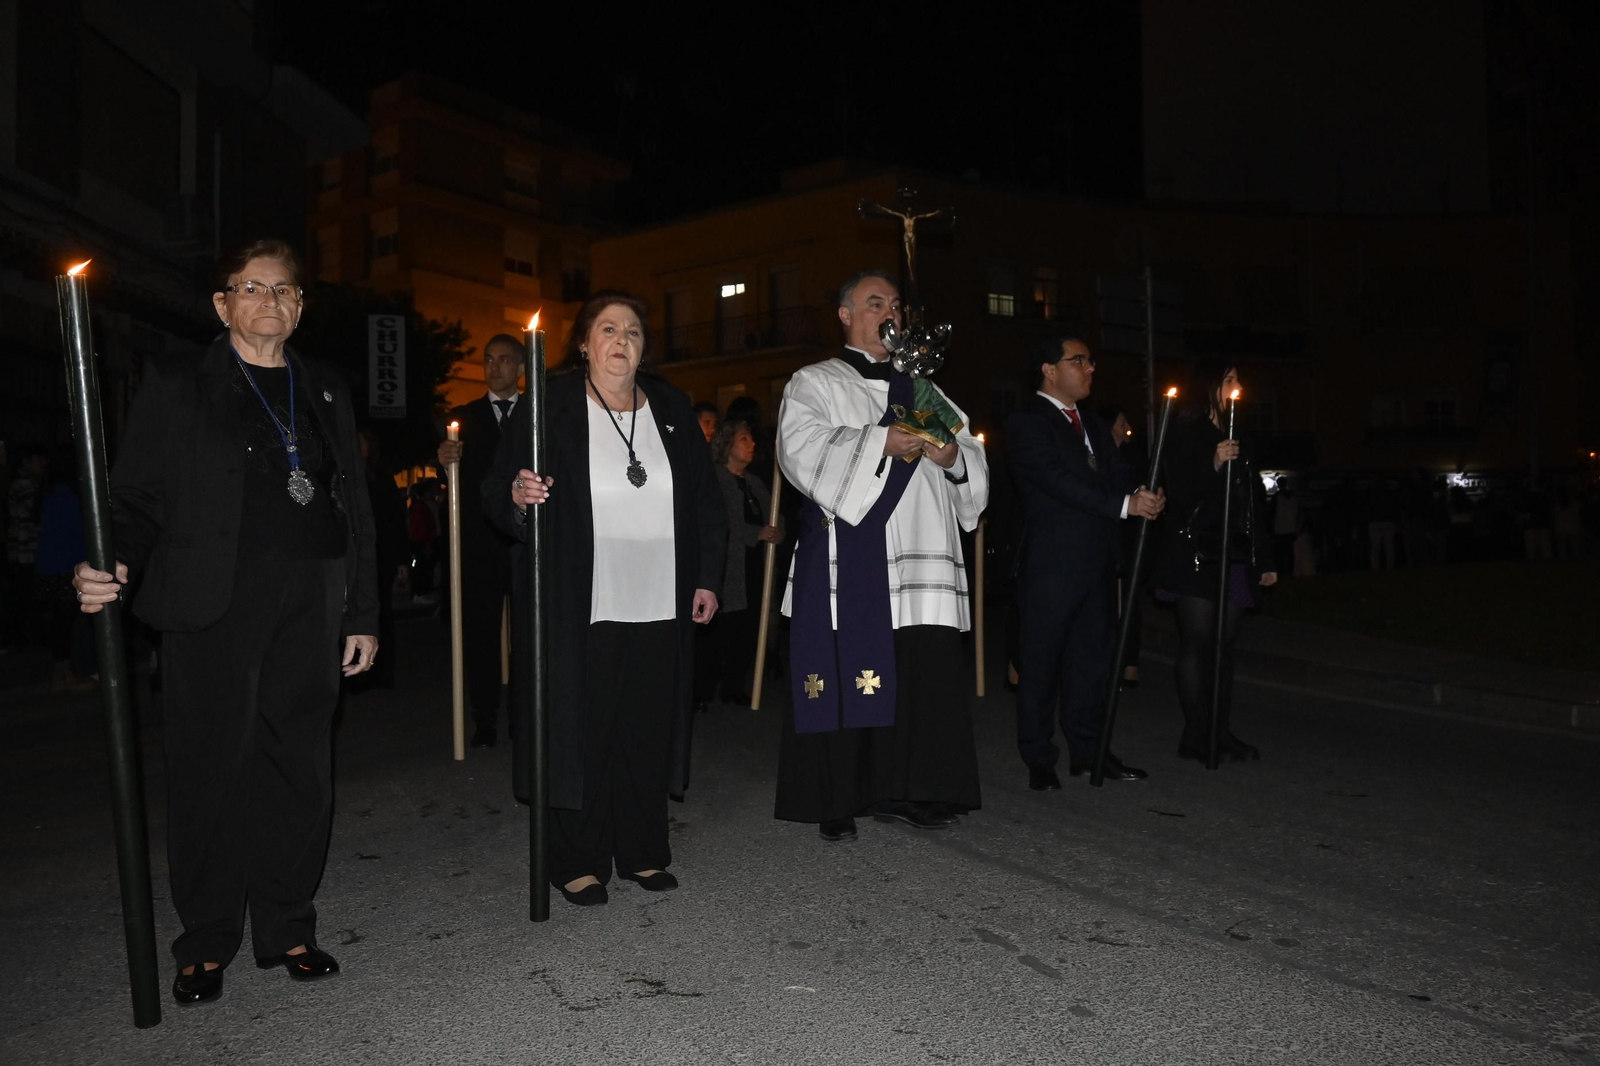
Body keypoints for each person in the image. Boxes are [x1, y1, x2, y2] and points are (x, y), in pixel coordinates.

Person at [72, 238, 378, 1005]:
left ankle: (287, 927)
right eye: (252, 287)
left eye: (285, 291)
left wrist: (363, 610)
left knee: (300, 767)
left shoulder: (329, 388)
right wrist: (110, 562)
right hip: (213, 597)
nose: (270, 301)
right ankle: (206, 939)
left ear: (301, 307)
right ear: (222, 304)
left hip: (312, 596)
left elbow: (358, 512)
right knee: (210, 767)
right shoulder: (179, 383)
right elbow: (136, 495)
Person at [486, 290, 725, 907]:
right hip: (581, 594)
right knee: (583, 728)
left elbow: (704, 502)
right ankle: (578, 859)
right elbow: (497, 489)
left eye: (635, 331)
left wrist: (706, 576)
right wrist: (518, 494)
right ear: (585, 344)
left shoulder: (671, 407)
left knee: (645, 727)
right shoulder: (550, 405)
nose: (623, 340)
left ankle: (643, 851)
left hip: (659, 595)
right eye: (610, 329)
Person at [774, 269, 989, 842]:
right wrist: (879, 441)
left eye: (896, 304)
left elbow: (970, 451)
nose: (889, 312)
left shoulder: (924, 389)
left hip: (923, 560)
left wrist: (954, 458)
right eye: (874, 303)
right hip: (853, 559)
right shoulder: (815, 381)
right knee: (850, 668)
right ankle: (837, 795)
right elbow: (799, 450)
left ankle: (910, 788)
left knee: (917, 673)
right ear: (845, 315)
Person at [1007, 339, 1164, 792]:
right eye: (1079, 360)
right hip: (1051, 567)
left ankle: (1089, 750)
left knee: (1090, 664)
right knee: (1041, 664)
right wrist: (1123, 504)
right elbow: (1058, 484)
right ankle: (1039, 757)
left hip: (1096, 564)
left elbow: (1115, 472)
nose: (1090, 368)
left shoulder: (1093, 425)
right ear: (1048, 370)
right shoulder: (1026, 424)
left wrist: (1143, 492)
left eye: (1091, 360)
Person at [1153, 361, 1275, 763]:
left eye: (1237, 379)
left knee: (1225, 645)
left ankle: (1220, 731)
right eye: (1228, 380)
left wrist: (1264, 557)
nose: (1237, 386)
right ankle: (1197, 731)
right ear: (1208, 385)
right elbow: (1181, 494)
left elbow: (1252, 499)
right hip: (1195, 553)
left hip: (1234, 553)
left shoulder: (1238, 434)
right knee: (1198, 642)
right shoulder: (1185, 432)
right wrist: (1213, 464)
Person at [436, 334, 525, 746]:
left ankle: (525, 718)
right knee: (482, 633)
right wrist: (444, 461)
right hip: (481, 542)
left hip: (527, 539)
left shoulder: (537, 413)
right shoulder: (464, 417)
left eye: (505, 360)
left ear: (521, 368)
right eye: (489, 359)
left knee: (527, 634)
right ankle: (485, 717)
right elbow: (452, 479)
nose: (495, 367)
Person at [695, 418, 783, 709]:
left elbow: (774, 514)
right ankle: (702, 692)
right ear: (728, 444)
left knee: (747, 630)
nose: (752, 444)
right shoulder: (716, 478)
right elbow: (720, 522)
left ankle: (734, 686)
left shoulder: (755, 482)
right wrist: (754, 533)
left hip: (755, 566)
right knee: (718, 633)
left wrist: (776, 530)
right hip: (729, 568)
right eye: (744, 439)